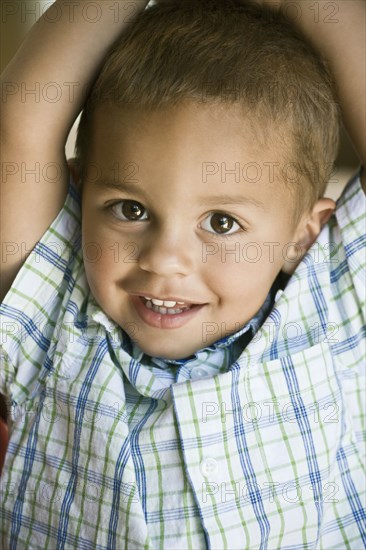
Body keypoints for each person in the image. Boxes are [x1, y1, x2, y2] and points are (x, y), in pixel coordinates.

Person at [0, 0, 365, 547]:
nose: (165, 260)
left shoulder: (335, 309)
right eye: (130, 209)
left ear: (302, 234)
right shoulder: (56, 321)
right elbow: (20, 121)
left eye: (222, 222)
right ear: (79, 190)